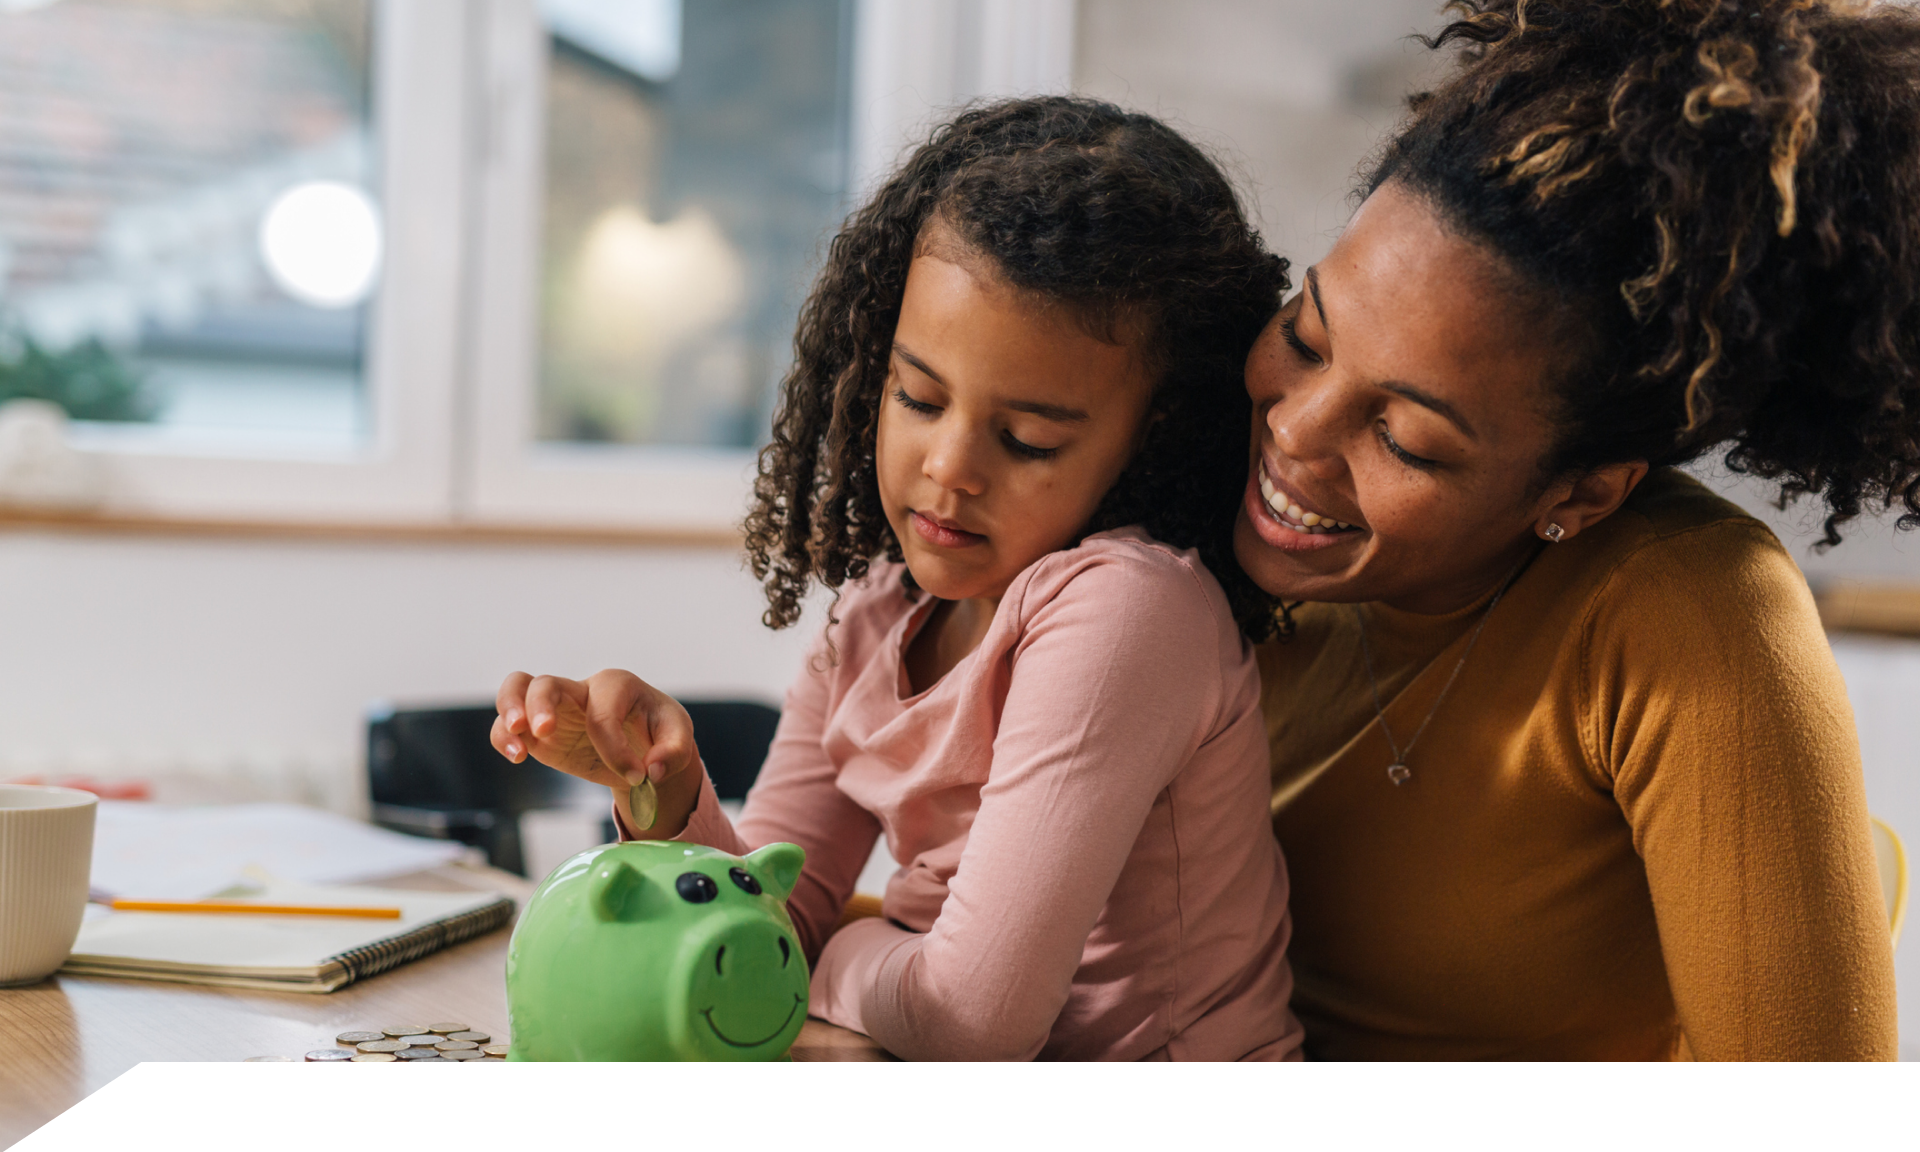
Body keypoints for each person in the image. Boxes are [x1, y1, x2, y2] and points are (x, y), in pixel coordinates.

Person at [493, 98, 1303, 1061]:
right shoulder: (882, 613)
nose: (949, 466)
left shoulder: (1130, 610)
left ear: (1152, 431)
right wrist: (662, 790)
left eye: (1028, 438)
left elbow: (971, 1022)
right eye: (918, 395)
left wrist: (845, 947)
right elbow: (767, 927)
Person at [1236, 0, 1912, 1059]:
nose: (1291, 430)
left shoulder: (1683, 614)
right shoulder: (1189, 505)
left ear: (1580, 496)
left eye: (1406, 439)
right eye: (1306, 333)